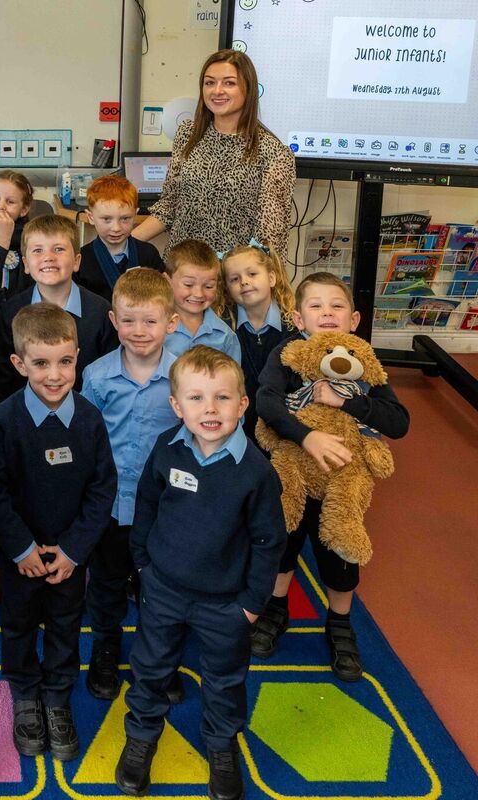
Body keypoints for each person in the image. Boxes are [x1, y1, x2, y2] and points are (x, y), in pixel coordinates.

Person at [115, 346, 285, 800]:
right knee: (150, 666)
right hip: (163, 588)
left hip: (225, 603)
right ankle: (142, 735)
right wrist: (142, 561)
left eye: (222, 398)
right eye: (196, 398)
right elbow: (147, 502)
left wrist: (251, 606)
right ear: (176, 406)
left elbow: (270, 542)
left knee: (225, 679)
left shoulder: (256, 473)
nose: (209, 409)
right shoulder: (166, 448)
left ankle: (221, 746)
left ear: (243, 404)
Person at [253, 272, 409, 679]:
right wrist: (307, 438)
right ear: (298, 318)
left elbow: (399, 422)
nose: (327, 313)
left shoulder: (364, 361)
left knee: (339, 552)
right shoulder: (287, 354)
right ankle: (276, 607)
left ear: (354, 319)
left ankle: (339, 622)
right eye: (316, 306)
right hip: (294, 473)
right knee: (282, 542)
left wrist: (347, 403)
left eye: (336, 306)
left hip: (341, 481)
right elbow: (266, 404)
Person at [0, 304, 116, 761]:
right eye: (41, 363)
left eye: (65, 361)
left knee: (65, 624)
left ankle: (57, 696)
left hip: (70, 557)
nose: (55, 374)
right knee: (17, 625)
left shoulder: (91, 420)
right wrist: (19, 547)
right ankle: (24, 695)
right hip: (20, 554)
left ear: (78, 357)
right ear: (19, 364)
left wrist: (75, 549)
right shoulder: (4, 419)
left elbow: (103, 490)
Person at [79, 268, 180, 703]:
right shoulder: (97, 377)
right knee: (106, 579)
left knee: (158, 585)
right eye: (130, 320)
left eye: (151, 321)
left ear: (171, 324)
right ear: (114, 322)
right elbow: (86, 443)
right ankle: (106, 644)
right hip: (111, 505)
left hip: (165, 507)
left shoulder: (183, 376)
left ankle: (157, 655)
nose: (140, 331)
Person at [132, 49, 296, 258]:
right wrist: (125, 245)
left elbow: (269, 240)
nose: (217, 90)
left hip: (232, 279)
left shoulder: (273, 153)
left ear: (249, 89)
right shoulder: (187, 135)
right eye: (209, 82)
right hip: (183, 274)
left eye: (229, 83)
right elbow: (169, 205)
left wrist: (231, 273)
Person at [0, 214, 117, 396]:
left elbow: (107, 374)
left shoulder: (100, 312)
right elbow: (3, 381)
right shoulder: (10, 313)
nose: (48, 257)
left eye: (59, 249)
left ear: (76, 261)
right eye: (38, 250)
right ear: (26, 264)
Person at [217, 240, 297, 439]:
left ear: (271, 278)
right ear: (227, 289)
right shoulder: (224, 329)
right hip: (239, 428)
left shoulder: (295, 326)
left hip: (286, 427)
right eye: (234, 279)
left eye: (252, 274)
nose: (244, 281)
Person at [78, 174, 165, 303]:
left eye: (125, 219)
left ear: (135, 214)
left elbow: (162, 297)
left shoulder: (148, 254)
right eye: (107, 219)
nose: (116, 228)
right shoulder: (82, 259)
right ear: (90, 217)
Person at [163, 239, 241, 362]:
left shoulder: (225, 336)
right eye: (188, 285)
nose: (199, 294)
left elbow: (233, 380)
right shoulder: (155, 328)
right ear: (167, 281)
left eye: (208, 286)